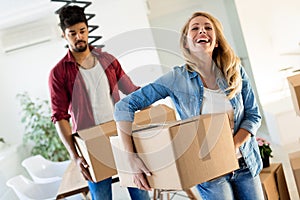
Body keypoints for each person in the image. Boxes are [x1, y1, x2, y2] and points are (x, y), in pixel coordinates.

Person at [114, 11, 265, 199]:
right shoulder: (176, 78)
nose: (202, 30)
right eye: (195, 28)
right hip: (209, 171)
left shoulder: (234, 71)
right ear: (186, 43)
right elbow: (124, 107)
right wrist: (131, 157)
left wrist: (232, 145)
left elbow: (253, 115)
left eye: (208, 28)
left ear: (216, 41)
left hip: (245, 165)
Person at [48, 5, 150, 200]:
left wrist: (156, 101)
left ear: (87, 29)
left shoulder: (108, 60)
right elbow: (60, 117)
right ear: (64, 35)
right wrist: (75, 156)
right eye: (72, 33)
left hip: (121, 136)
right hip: (91, 144)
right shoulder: (59, 73)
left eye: (82, 31)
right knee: (102, 197)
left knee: (141, 194)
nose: (79, 37)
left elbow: (131, 91)